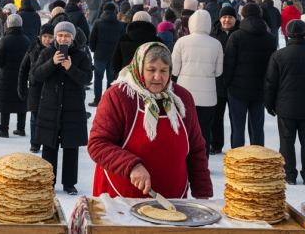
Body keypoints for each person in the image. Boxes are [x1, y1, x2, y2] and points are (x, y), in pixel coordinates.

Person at [88, 42, 212, 199]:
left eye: (164, 70)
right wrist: (132, 166)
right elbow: (98, 144)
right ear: (139, 68)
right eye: (151, 70)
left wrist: (203, 193)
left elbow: (196, 150)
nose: (158, 77)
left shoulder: (182, 99)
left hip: (173, 199)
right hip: (122, 198)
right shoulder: (118, 96)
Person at [264, 20, 305, 186]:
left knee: (286, 141)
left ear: (288, 35)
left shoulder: (278, 56)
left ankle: (289, 175)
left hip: (285, 105)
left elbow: (270, 83)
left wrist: (269, 104)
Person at [32, 22, 92, 195]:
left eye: (66, 35)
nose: (63, 39)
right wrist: (52, 63)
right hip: (50, 106)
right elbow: (37, 75)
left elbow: (87, 78)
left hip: (73, 107)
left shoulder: (81, 55)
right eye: (60, 35)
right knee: (49, 145)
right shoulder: (47, 52)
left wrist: (70, 68)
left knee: (71, 146)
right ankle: (48, 182)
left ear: (72, 37)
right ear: (55, 37)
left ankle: (69, 183)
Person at [224, 3, 277, 148]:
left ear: (242, 16)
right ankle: (257, 157)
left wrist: (227, 84)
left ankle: (238, 158)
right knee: (257, 127)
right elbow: (273, 67)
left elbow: (229, 64)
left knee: (238, 128)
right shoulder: (271, 38)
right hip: (260, 90)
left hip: (237, 89)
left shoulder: (236, 36)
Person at [171, 10, 223, 157]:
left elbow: (174, 70)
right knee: (204, 129)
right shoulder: (216, 44)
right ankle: (202, 160)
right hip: (208, 96)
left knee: (185, 128)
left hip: (184, 93)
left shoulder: (182, 42)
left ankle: (184, 159)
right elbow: (218, 72)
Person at [0, 14, 30, 138]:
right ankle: (21, 128)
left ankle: (4, 130)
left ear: (8, 25)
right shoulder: (26, 40)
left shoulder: (5, 40)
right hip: (22, 76)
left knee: (5, 102)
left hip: (6, 76)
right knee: (21, 100)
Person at [18, 24, 54, 153]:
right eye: (45, 36)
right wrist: (21, 87)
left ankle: (48, 142)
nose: (47, 40)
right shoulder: (32, 50)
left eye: (50, 37)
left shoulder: (56, 51)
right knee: (34, 118)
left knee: (49, 118)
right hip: (35, 89)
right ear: (40, 36)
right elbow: (23, 69)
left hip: (51, 89)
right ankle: (35, 143)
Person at [209, 5, 239, 155]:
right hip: (218, 82)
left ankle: (236, 146)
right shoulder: (213, 34)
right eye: (224, 17)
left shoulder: (240, 33)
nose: (227, 20)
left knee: (235, 118)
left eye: (230, 17)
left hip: (235, 82)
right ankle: (216, 144)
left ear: (235, 19)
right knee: (216, 117)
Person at [88, 2, 125, 107]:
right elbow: (122, 40)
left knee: (98, 78)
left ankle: (97, 100)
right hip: (113, 55)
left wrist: (94, 49)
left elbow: (92, 38)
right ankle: (109, 101)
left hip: (100, 54)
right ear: (115, 11)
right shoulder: (119, 24)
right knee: (111, 79)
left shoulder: (98, 22)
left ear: (103, 10)